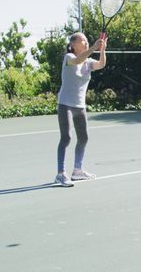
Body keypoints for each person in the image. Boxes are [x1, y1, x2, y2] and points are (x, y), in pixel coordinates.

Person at [54, 32, 107, 187]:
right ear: (73, 44)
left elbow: (101, 64)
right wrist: (93, 48)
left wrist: (102, 50)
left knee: (83, 138)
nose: (85, 42)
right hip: (65, 105)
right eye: (82, 40)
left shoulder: (88, 62)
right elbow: (78, 60)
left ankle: (77, 170)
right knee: (66, 138)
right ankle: (60, 173)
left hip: (80, 106)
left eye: (86, 40)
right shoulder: (69, 58)